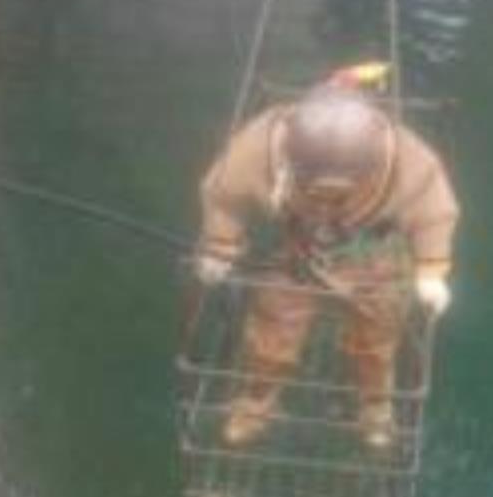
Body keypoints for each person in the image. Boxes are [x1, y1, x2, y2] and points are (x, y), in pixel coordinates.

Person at [193, 65, 459, 447]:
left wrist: (431, 271)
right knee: (272, 326)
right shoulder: (259, 147)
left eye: (342, 187)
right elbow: (223, 194)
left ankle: (375, 405)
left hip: (372, 251)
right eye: (316, 185)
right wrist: (220, 246)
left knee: (377, 331)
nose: (328, 196)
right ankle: (256, 401)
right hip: (298, 251)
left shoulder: (407, 157)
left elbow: (434, 210)